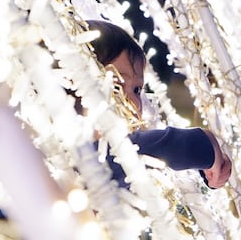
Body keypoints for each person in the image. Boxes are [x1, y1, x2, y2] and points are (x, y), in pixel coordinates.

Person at [85, 20, 231, 189]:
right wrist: (204, 144)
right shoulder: (74, 155)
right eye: (116, 85)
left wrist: (206, 167)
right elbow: (129, 154)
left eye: (137, 89)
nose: (131, 100)